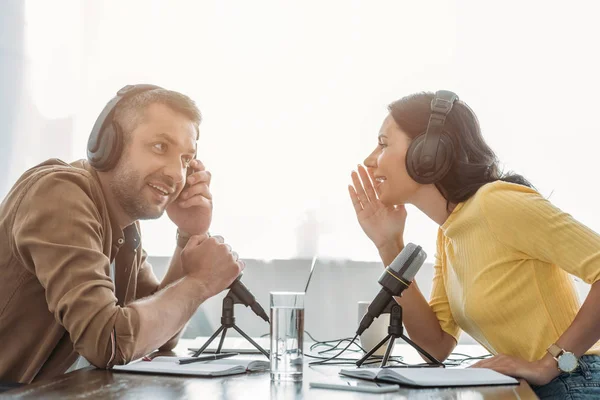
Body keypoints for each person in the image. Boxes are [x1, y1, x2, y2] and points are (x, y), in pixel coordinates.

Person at [348, 90, 600, 399]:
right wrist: (389, 245)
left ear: (427, 153)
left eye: (384, 143)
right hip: (538, 385)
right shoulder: (450, 232)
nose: (370, 160)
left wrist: (550, 363)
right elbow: (435, 345)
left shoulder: (496, 203)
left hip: (577, 378)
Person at [0, 84, 243, 384]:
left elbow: (156, 337)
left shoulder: (123, 226)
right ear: (109, 144)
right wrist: (200, 282)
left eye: (184, 159)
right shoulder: (60, 194)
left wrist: (188, 234)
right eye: (159, 147)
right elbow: (107, 342)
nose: (176, 175)